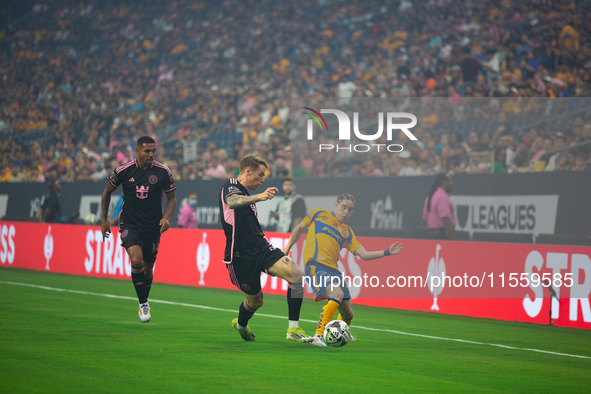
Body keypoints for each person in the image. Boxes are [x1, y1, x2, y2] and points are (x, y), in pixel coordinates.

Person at [284, 193, 404, 346]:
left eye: (350, 210)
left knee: (348, 312)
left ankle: (343, 331)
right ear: (336, 205)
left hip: (334, 272)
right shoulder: (318, 214)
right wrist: (287, 248)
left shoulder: (347, 232)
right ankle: (318, 336)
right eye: (344, 207)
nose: (346, 212)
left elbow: (364, 255)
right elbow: (299, 228)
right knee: (337, 293)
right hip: (315, 266)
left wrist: (387, 252)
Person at [219, 154, 312, 343]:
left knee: (297, 275)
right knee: (256, 301)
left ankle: (293, 330)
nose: (262, 180)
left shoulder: (247, 195)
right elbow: (232, 202)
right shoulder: (231, 186)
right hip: (240, 256)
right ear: (247, 171)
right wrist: (259, 197)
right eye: (260, 175)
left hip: (261, 247)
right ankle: (242, 325)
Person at [100, 136, 177, 323]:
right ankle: (143, 303)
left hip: (152, 226)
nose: (151, 154)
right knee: (137, 260)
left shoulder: (163, 172)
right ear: (137, 151)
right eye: (147, 151)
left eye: (154, 151)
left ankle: (144, 299)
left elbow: (172, 199)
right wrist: (104, 220)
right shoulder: (123, 171)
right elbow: (106, 193)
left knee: (148, 268)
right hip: (130, 223)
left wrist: (166, 218)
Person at [422, 173, 456, 240]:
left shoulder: (430, 197)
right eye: (450, 181)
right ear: (444, 182)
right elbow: (446, 220)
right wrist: (453, 239)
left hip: (431, 234)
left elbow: (425, 220)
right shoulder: (442, 197)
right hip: (441, 235)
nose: (452, 183)